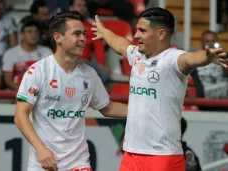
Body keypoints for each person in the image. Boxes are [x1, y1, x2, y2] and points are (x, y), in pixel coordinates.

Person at [91, 7, 228, 171]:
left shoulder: (173, 59)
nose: (136, 36)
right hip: (131, 155)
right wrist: (104, 32)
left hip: (163, 157)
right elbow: (120, 44)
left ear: (161, 34)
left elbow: (191, 58)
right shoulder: (137, 55)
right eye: (136, 30)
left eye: (142, 31)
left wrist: (207, 57)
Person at [14, 11, 128, 171]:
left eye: (84, 34)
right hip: (44, 164)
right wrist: (40, 148)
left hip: (78, 164)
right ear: (57, 37)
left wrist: (143, 110)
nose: (83, 39)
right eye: (76, 34)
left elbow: (107, 107)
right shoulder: (38, 71)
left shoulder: (89, 74)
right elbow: (20, 116)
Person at [2, 19, 52, 90]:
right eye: (29, 31)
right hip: (16, 93)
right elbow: (8, 81)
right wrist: (26, 93)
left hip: (41, 94)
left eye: (36, 31)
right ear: (22, 35)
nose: (34, 34)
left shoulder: (47, 52)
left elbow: (51, 77)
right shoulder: (10, 53)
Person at [70, 0, 110, 84]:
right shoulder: (63, 25)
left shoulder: (91, 26)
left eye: (84, 6)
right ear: (71, 8)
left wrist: (101, 63)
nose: (82, 8)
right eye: (79, 5)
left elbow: (98, 46)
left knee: (105, 73)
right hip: (69, 60)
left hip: (86, 62)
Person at [191, 30, 228, 99]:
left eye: (213, 41)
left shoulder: (224, 57)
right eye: (207, 41)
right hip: (203, 99)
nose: (211, 43)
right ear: (201, 42)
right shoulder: (194, 59)